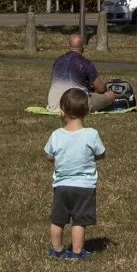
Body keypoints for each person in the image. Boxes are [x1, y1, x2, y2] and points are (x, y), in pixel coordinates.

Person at [43, 87, 106, 259]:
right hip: (84, 187)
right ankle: (77, 252)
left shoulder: (56, 135)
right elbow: (101, 154)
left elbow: (49, 156)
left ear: (62, 112)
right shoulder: (91, 134)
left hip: (61, 186)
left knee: (57, 219)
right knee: (79, 221)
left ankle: (57, 250)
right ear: (86, 112)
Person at [47, 31, 114, 112]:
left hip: (54, 105)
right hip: (76, 106)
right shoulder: (86, 64)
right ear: (84, 47)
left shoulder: (57, 61)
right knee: (111, 95)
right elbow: (100, 89)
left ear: (68, 46)